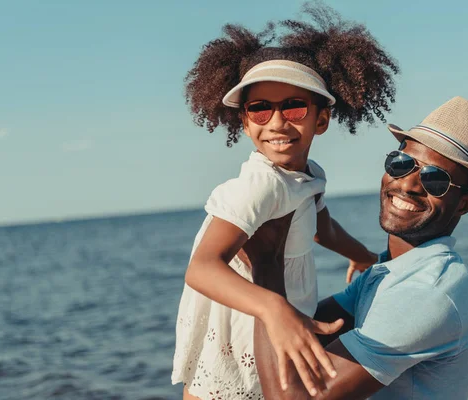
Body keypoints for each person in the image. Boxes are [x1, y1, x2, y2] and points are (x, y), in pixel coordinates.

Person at [171, 4, 399, 399]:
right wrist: (274, 310)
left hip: (278, 319)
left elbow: (321, 225)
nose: (277, 122)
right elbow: (202, 269)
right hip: (246, 326)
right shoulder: (260, 187)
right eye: (259, 109)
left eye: (293, 106)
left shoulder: (307, 176)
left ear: (321, 119)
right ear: (244, 122)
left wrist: (363, 256)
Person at [255, 96, 468, 399]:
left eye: (436, 179)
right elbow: (311, 333)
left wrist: (266, 263)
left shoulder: (426, 292)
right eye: (401, 164)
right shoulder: (390, 272)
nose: (408, 184)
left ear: (464, 204)